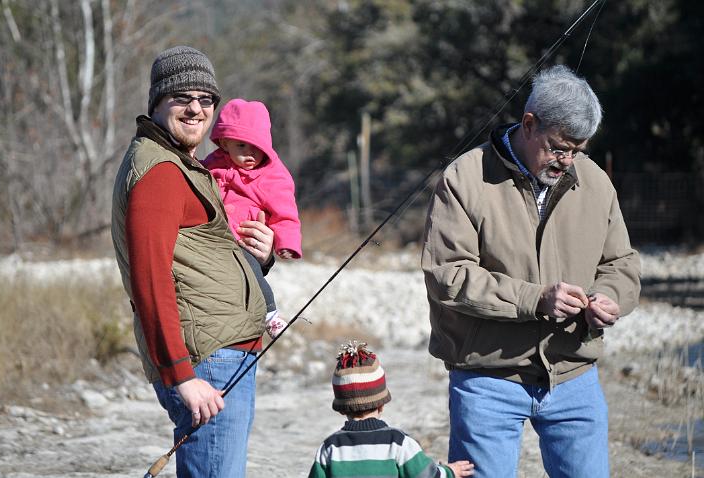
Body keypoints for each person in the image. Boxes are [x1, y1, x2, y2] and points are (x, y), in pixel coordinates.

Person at [421, 65, 641, 478]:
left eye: (578, 149)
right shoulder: (464, 178)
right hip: (486, 377)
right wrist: (536, 300)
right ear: (528, 124)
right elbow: (446, 275)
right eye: (559, 147)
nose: (567, 160)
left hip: (575, 377)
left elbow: (621, 263)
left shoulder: (595, 182)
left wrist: (612, 296)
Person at [111, 46, 275, 477]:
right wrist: (182, 375)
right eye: (182, 97)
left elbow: (200, 255)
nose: (195, 108)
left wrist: (262, 256)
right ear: (157, 103)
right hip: (206, 361)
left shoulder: (181, 163)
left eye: (206, 99)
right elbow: (151, 278)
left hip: (219, 354)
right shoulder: (160, 171)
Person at [202, 98, 302, 339]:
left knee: (250, 271)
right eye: (241, 147)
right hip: (214, 242)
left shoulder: (272, 175)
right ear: (225, 143)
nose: (250, 154)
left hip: (244, 240)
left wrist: (286, 243)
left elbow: (285, 213)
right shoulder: (211, 165)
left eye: (256, 148)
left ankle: (270, 313)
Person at [308, 340, 475, 478]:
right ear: (381, 404)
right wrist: (450, 471)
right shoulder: (399, 442)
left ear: (342, 409)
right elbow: (427, 475)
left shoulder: (330, 447)